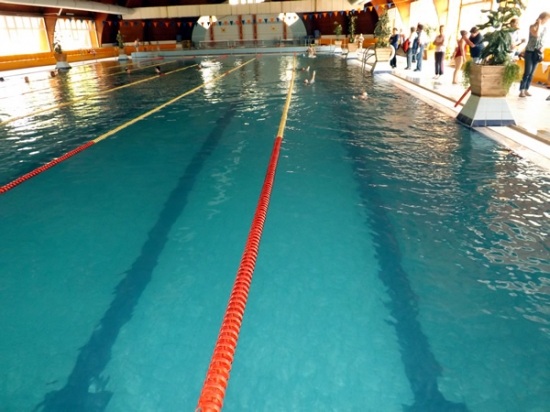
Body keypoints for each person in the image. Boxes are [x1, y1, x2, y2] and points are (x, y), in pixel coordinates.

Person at [519, 12, 549, 97]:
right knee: (527, 72)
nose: (546, 21)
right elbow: (536, 35)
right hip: (530, 51)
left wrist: (542, 49)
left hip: (538, 52)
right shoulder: (533, 26)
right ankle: (522, 90)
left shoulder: (545, 28)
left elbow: (543, 40)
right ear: (541, 18)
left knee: (532, 73)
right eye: (545, 19)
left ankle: (526, 89)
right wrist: (539, 24)